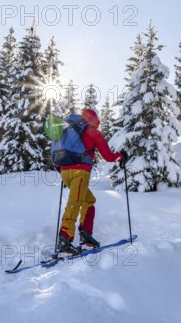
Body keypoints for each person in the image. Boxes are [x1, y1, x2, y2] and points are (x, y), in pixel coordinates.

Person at [56, 108, 128, 254]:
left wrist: (64, 170)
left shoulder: (68, 132)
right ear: (94, 119)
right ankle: (64, 239)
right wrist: (121, 156)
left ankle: (86, 235)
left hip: (65, 171)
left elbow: (57, 154)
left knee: (88, 200)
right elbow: (108, 156)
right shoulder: (94, 133)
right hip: (80, 172)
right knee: (75, 203)